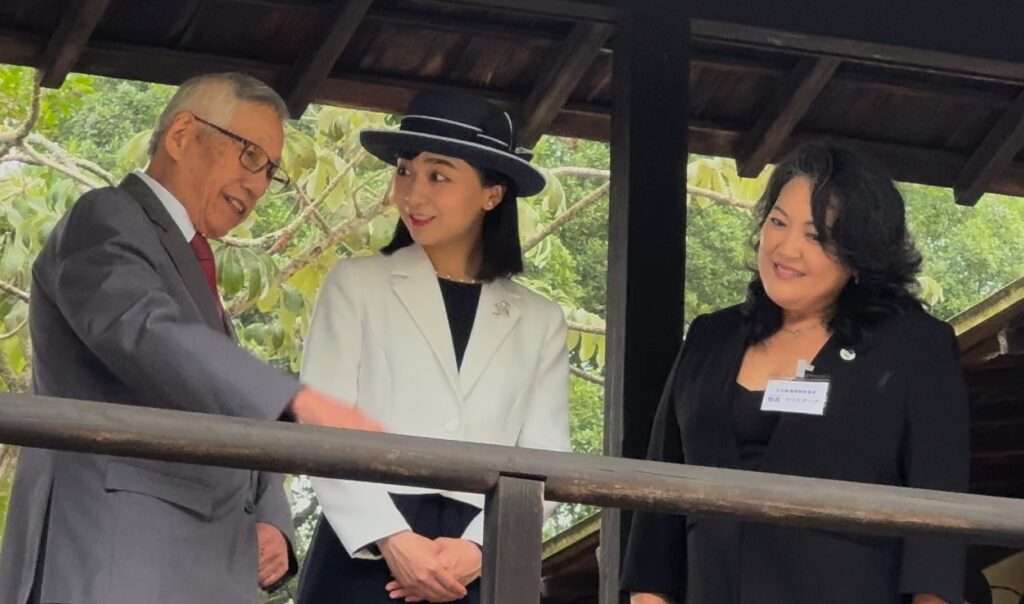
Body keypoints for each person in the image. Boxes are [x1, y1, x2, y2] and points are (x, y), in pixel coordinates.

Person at [0, 72, 380, 604]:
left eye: (269, 171)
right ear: (181, 135)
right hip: (115, 558)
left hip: (202, 566)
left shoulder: (193, 261)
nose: (258, 185)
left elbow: (219, 401)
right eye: (249, 155)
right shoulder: (106, 217)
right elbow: (144, 331)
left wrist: (272, 518)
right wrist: (293, 398)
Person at [621, 143, 969, 604]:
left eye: (816, 236)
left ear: (860, 253)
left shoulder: (914, 347)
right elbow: (656, 521)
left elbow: (938, 549)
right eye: (778, 222)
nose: (787, 249)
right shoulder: (710, 336)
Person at [296, 91, 571, 603]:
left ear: (492, 194)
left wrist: (479, 549)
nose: (413, 194)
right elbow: (320, 423)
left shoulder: (541, 320)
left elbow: (547, 455)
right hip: (364, 551)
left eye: (438, 176)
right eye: (405, 171)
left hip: (478, 558)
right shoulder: (355, 283)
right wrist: (392, 538)